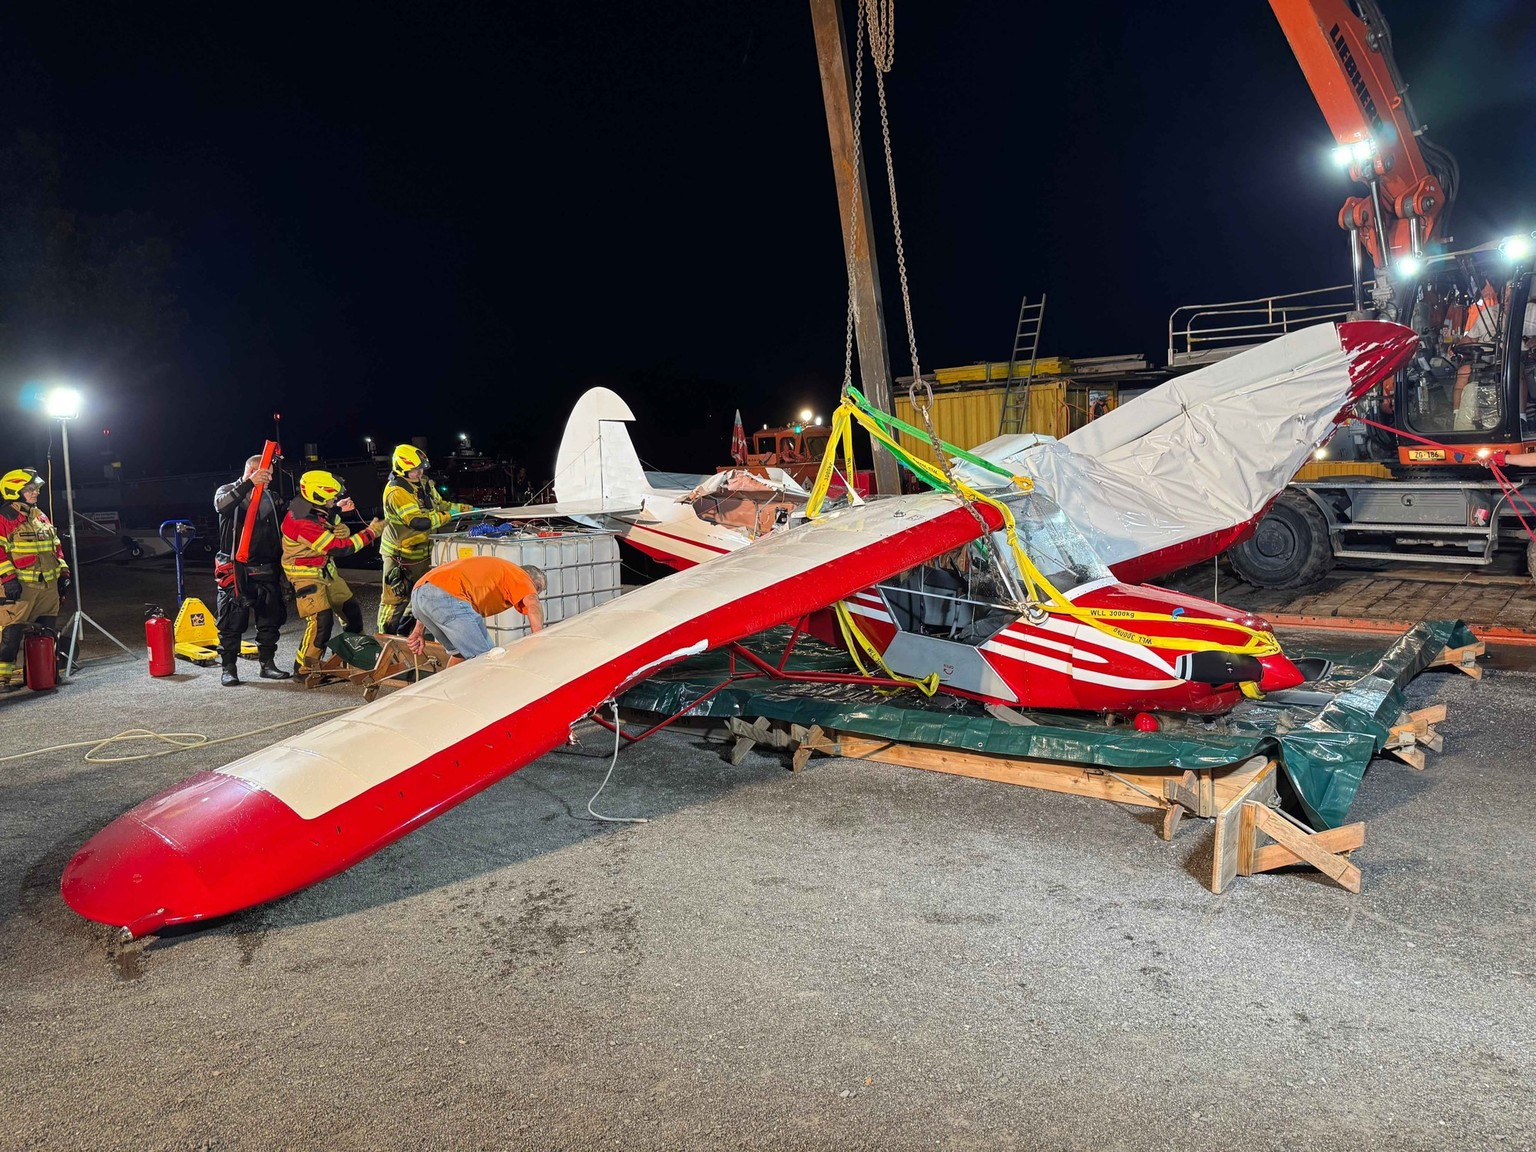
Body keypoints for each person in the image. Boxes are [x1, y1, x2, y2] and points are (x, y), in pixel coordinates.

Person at [281, 470, 384, 675]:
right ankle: (303, 669)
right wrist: (371, 532)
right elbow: (340, 548)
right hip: (305, 575)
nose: (335, 499)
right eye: (332, 497)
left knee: (351, 610)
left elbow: (324, 520)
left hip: (325, 570)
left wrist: (338, 515)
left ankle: (352, 656)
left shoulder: (302, 503)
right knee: (321, 622)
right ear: (317, 495)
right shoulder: (300, 520)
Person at [377, 444, 471, 635]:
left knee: (421, 596)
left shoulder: (424, 484)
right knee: (395, 600)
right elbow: (418, 522)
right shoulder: (397, 492)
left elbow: (441, 504)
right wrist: (445, 516)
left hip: (422, 552)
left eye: (421, 469)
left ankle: (407, 636)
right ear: (402, 468)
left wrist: (464, 510)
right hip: (399, 555)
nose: (419, 473)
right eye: (415, 470)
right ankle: (385, 638)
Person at [213, 455, 290, 686]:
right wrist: (250, 483)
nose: (270, 480)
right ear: (253, 470)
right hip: (237, 570)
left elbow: (295, 515)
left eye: (271, 476)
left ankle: (267, 664)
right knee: (231, 622)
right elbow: (222, 505)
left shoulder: (272, 497)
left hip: (268, 568)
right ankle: (229, 668)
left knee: (270, 620)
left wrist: (331, 506)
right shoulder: (227, 490)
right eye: (266, 475)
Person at [405, 556, 545, 666]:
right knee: (487, 658)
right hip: (444, 596)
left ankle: (447, 691)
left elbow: (430, 592)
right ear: (528, 575)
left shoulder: (500, 572)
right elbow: (533, 602)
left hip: (419, 595)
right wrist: (539, 640)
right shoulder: (519, 575)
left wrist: (418, 630)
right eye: (537, 587)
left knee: (460, 653)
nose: (535, 592)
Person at [0, 468, 69, 691]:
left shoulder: (40, 516)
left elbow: (56, 547)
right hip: (21, 588)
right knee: (11, 634)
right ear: (14, 491)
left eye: (36, 488)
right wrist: (8, 579)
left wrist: (63, 574)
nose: (35, 492)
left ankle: (43, 673)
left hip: (47, 588)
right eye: (29, 489)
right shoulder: (5, 518)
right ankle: (2, 679)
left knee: (46, 633)